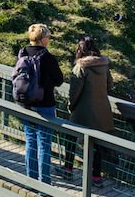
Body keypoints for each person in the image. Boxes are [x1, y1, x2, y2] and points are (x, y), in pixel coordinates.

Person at [59, 36, 115, 187]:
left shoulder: (80, 67)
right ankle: (96, 177)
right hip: (102, 110)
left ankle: (68, 169)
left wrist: (71, 106)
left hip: (83, 111)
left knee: (71, 138)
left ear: (80, 50)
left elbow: (74, 91)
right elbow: (110, 85)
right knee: (97, 145)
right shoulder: (104, 65)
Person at [19, 23, 64, 184]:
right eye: (48, 37)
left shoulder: (23, 54)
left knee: (30, 140)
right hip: (45, 105)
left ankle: (30, 180)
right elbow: (59, 80)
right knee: (44, 143)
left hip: (27, 104)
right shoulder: (48, 58)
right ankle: (44, 182)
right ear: (43, 39)